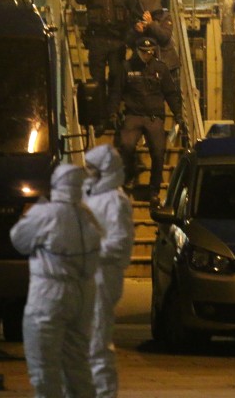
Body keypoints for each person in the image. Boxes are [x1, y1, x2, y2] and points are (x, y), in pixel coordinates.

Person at [10, 163, 102, 398]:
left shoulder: (46, 213)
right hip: (83, 295)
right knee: (78, 365)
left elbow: (18, 240)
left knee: (44, 365)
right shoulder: (89, 217)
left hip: (50, 294)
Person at [82, 144, 134, 397]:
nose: (89, 173)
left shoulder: (116, 201)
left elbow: (119, 244)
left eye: (93, 169)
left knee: (97, 344)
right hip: (84, 277)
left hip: (102, 278)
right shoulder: (88, 196)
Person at [109, 36, 183, 198]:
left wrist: (177, 113)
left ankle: (154, 189)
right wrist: (113, 112)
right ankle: (129, 175)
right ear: (137, 51)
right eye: (144, 52)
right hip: (133, 115)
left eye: (150, 52)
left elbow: (170, 93)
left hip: (153, 117)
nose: (147, 54)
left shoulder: (161, 68)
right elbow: (116, 92)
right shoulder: (126, 67)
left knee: (158, 152)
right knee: (126, 146)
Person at [75, 0, 141, 131]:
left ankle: (112, 113)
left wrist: (131, 36)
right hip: (97, 40)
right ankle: (100, 118)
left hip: (117, 41)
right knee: (97, 81)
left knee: (116, 78)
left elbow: (135, 12)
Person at [127, 0, 180, 86]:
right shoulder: (137, 17)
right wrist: (137, 31)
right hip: (146, 64)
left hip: (167, 63)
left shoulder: (165, 17)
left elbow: (164, 37)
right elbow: (129, 41)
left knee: (172, 92)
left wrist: (151, 24)